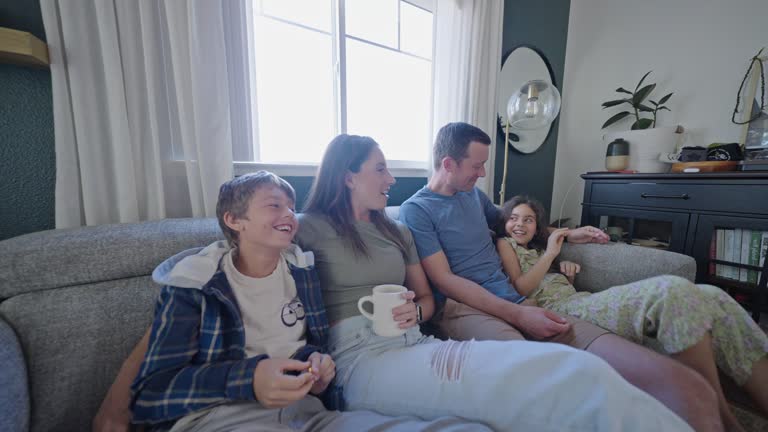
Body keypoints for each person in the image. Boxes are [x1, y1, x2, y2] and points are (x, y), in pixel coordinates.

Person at [293, 133, 699, 431]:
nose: (390, 178)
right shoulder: (307, 228)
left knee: (577, 369)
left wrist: (416, 310)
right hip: (360, 357)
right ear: (347, 177)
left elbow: (427, 299)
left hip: (414, 341)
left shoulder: (395, 230)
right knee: (547, 383)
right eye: (380, 169)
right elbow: (265, 290)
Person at [399, 122, 723, 431]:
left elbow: (511, 224)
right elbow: (444, 281)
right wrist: (519, 314)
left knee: (676, 381)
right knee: (551, 380)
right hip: (464, 308)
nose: (483, 173)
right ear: (449, 164)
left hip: (519, 300)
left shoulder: (472, 195)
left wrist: (568, 234)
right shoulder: (417, 210)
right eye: (477, 165)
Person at [118, 171, 494, 432]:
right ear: (235, 220)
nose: (288, 216)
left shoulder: (301, 270)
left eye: (290, 206)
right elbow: (151, 392)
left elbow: (313, 345)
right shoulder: (194, 283)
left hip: (310, 416)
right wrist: (249, 378)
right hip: (222, 419)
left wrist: (317, 366)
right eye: (273, 206)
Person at [496, 194, 768, 431]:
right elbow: (522, 286)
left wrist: (566, 273)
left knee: (713, 295)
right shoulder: (505, 245)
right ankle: (715, 417)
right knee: (671, 289)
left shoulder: (539, 248)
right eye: (514, 218)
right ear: (505, 222)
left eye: (528, 219)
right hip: (559, 311)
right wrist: (551, 255)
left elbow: (555, 278)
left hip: (581, 300)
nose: (520, 224)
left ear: (537, 227)